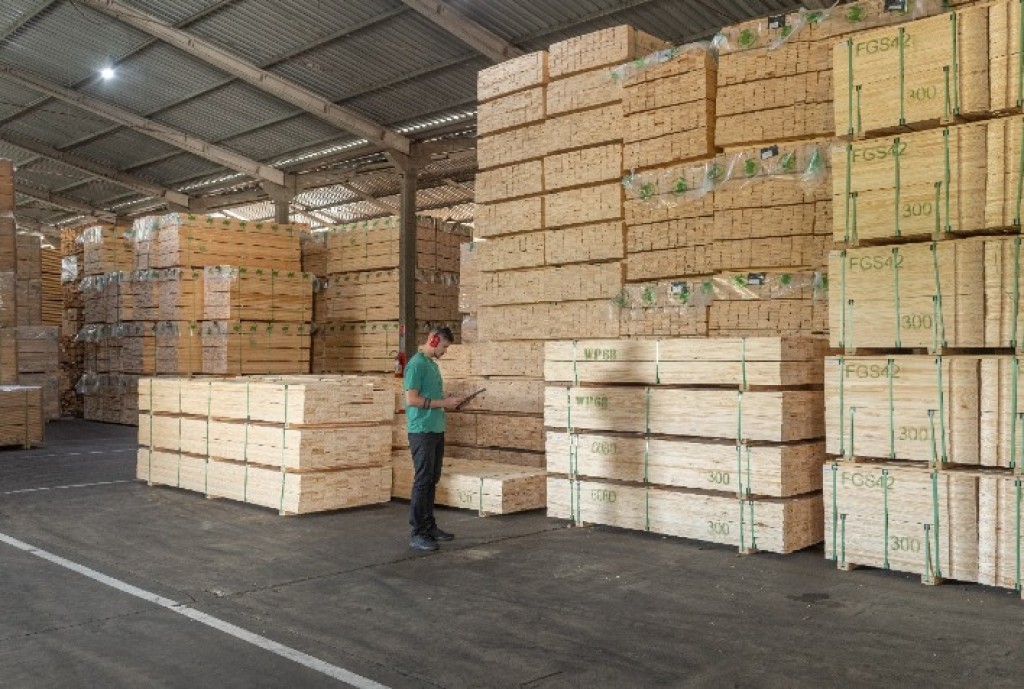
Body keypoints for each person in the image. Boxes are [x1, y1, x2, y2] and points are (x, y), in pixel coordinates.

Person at [403, 326, 465, 551]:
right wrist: (443, 403)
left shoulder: (432, 365)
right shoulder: (416, 365)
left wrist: (449, 400)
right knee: (422, 481)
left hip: (436, 428)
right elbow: (412, 399)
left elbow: (430, 396)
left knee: (432, 479)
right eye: (444, 346)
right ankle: (417, 532)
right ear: (433, 340)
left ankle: (429, 526)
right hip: (422, 430)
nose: (445, 351)